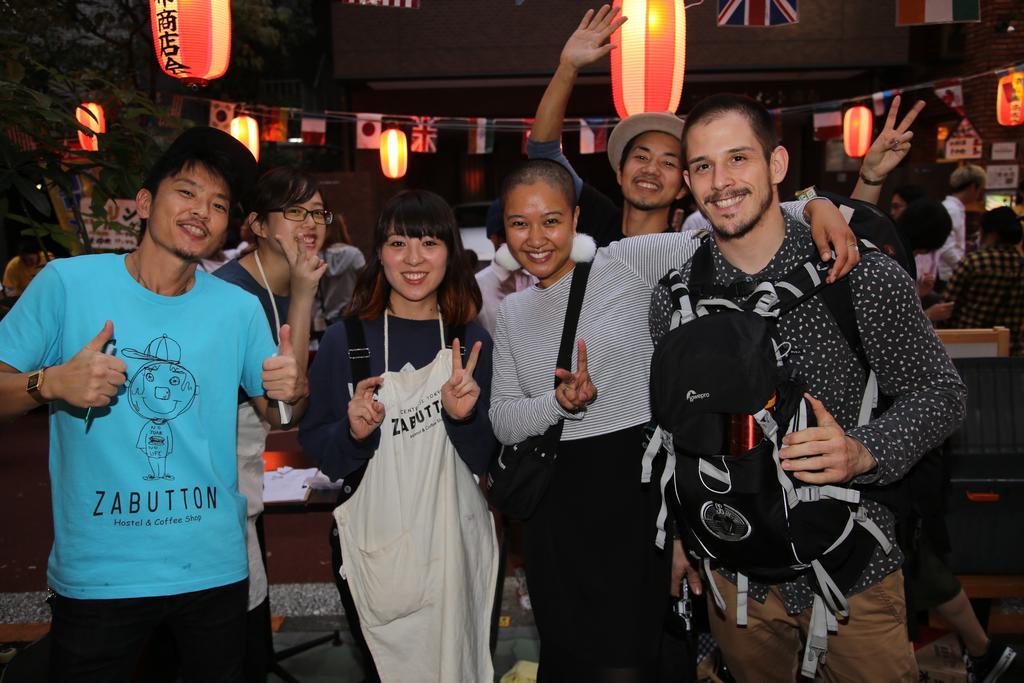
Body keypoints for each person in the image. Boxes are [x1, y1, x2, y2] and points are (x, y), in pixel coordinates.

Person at [488, 156, 859, 681]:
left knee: (632, 659)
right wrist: (560, 403)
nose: (536, 238)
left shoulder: (626, 261)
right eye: (518, 223)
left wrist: (815, 206)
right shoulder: (511, 313)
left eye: (550, 220)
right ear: (503, 229)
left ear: (575, 218)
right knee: (568, 658)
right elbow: (503, 420)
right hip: (556, 511)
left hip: (635, 493)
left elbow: (732, 224)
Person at [648, 93, 967, 683]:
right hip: (733, 572)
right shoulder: (674, 297)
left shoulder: (857, 272)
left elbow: (941, 393)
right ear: (687, 183)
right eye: (702, 166)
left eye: (738, 158)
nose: (721, 182)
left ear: (776, 166)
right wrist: (675, 537)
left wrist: (864, 450)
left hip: (854, 569)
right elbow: (672, 432)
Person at [0, 127, 306, 681]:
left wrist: (290, 391)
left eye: (218, 204)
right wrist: (49, 384)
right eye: (186, 192)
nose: (201, 212)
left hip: (213, 569)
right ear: (144, 202)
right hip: (101, 575)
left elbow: (279, 415)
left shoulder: (237, 307)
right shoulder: (67, 284)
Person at [299, 190, 499, 682]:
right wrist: (354, 432)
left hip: (456, 543)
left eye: (429, 243)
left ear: (450, 253)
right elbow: (323, 452)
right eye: (398, 243)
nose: (413, 259)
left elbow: (489, 455)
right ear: (379, 253)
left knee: (459, 662)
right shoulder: (348, 341)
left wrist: (464, 418)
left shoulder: (468, 341)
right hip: (375, 546)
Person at [527, 5, 860, 273]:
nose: (651, 169)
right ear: (619, 170)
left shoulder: (696, 247)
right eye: (641, 157)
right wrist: (568, 68)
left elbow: (754, 215)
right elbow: (543, 154)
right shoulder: (593, 221)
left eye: (668, 162)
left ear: (685, 183)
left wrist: (816, 206)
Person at [213, 166, 328, 682]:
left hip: (246, 468)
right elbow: (281, 410)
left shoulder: (291, 277)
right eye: (295, 211)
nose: (311, 223)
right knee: (233, 625)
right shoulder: (231, 294)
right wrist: (303, 295)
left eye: (318, 212)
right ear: (257, 224)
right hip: (215, 479)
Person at [945, 206, 1024, 355]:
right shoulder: (1020, 264)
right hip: (1011, 350)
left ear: (991, 233)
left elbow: (948, 307)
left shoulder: (972, 262)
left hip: (968, 346)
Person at [475, 198, 535, 336]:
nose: (515, 241)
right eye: (505, 234)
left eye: (522, 230)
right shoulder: (476, 286)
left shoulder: (540, 278)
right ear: (492, 237)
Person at [896, 198, 956, 323]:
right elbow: (893, 325)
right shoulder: (896, 264)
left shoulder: (893, 247)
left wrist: (919, 292)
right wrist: (929, 315)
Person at [314, 211, 365, 332]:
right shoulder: (354, 254)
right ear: (343, 228)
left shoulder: (317, 257)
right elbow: (366, 284)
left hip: (324, 320)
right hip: (352, 316)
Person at [938, 164, 987, 280]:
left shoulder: (954, 208)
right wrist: (965, 269)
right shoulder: (952, 210)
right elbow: (946, 248)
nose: (979, 194)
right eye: (980, 189)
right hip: (947, 275)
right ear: (973, 187)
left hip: (950, 272)